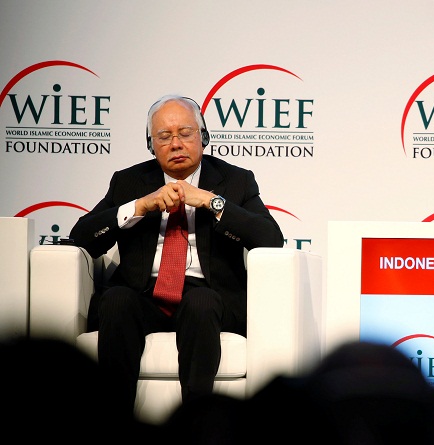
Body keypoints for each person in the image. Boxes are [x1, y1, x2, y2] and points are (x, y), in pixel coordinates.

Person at [69, 94, 284, 414]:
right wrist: (139, 206)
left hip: (210, 297)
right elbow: (82, 238)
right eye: (164, 136)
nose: (176, 143)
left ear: (204, 137)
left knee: (201, 302)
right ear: (151, 145)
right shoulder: (129, 181)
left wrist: (212, 202)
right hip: (143, 293)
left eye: (185, 133)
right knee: (115, 299)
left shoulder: (236, 180)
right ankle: (113, 424)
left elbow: (271, 239)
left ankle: (196, 423)